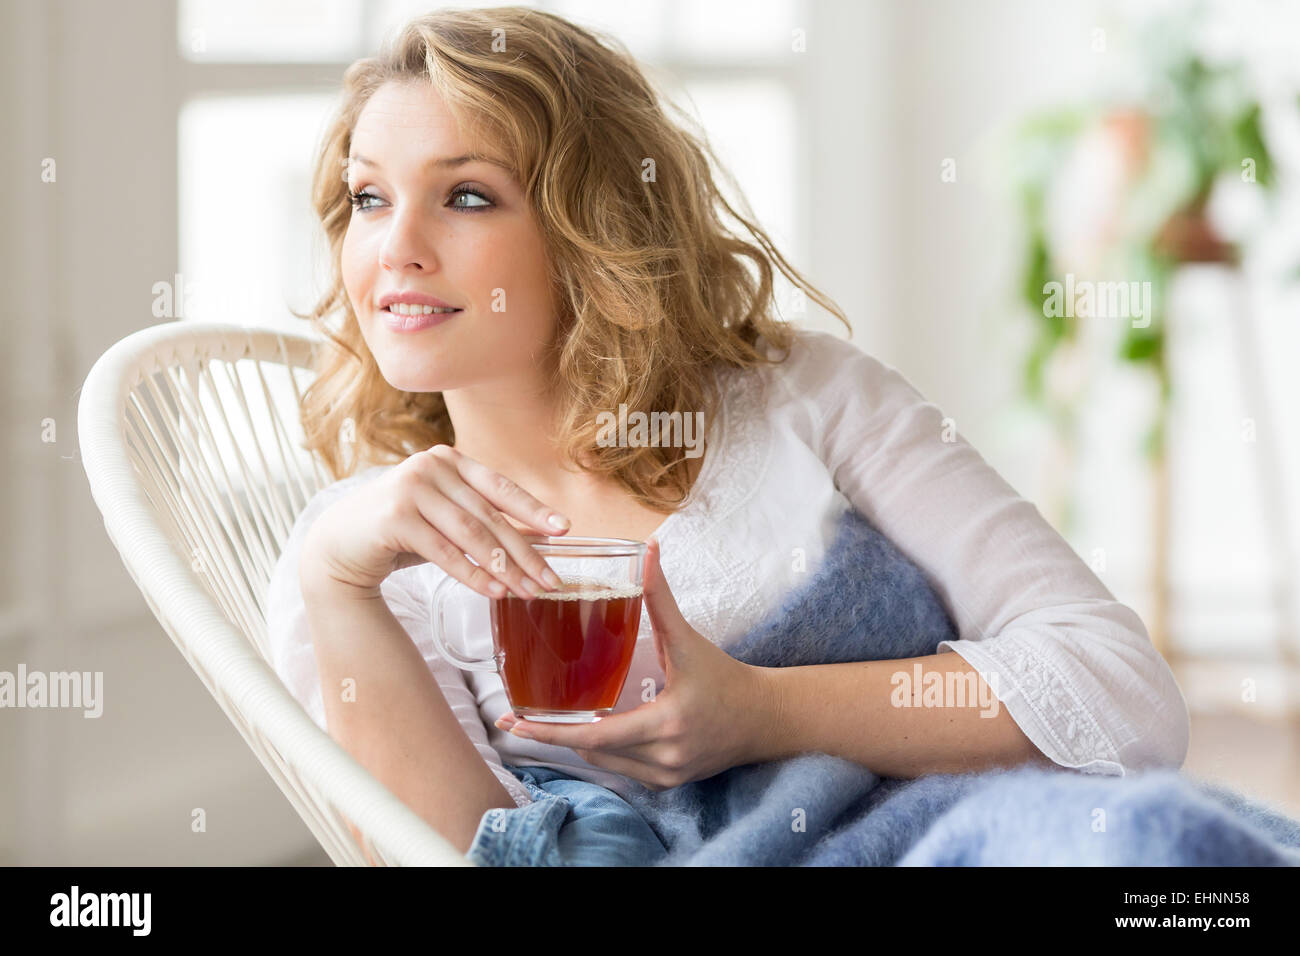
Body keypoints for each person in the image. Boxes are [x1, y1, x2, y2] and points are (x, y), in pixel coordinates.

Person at [266, 6, 1189, 865]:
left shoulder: (803, 395)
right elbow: (474, 854)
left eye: (466, 196)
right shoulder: (368, 559)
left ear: (593, 227)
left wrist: (761, 712)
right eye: (367, 199)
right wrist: (335, 583)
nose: (395, 248)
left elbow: (1123, 692)